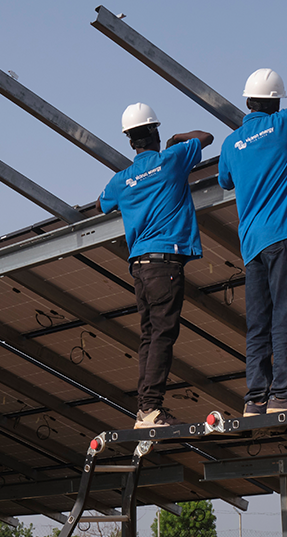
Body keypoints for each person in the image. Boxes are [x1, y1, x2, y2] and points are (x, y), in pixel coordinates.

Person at [99, 103, 213, 429]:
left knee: (149, 335)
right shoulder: (172, 159)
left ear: (129, 140)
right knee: (162, 335)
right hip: (166, 262)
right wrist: (178, 137)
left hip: (140, 266)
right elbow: (206, 137)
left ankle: (144, 409)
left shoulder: (122, 180)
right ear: (155, 132)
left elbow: (100, 203)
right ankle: (150, 408)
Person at [218, 68, 287, 416]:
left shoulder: (231, 143)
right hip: (284, 233)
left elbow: (226, 181)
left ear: (247, 101)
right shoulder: (284, 124)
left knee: (258, 322)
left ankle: (255, 398)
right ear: (276, 103)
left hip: (252, 244)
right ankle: (282, 393)